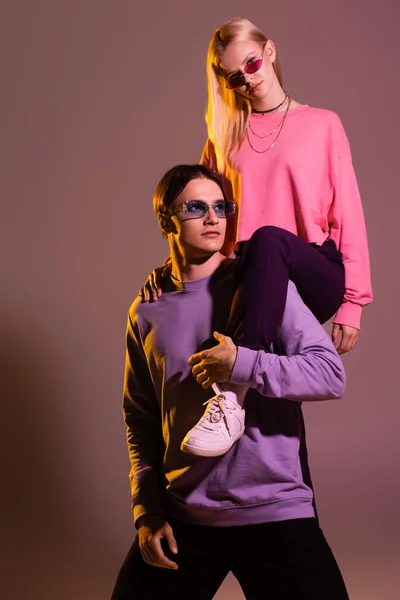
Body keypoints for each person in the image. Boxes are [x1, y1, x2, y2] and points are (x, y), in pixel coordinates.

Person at [110, 164, 350, 600]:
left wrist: (243, 364)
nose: (213, 218)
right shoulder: (146, 310)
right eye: (196, 207)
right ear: (166, 219)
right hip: (186, 516)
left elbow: (330, 374)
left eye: (222, 207)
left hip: (275, 510)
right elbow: (140, 418)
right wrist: (146, 509)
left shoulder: (263, 286)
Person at [139, 16, 372, 457]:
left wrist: (353, 303)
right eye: (234, 77)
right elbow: (202, 206)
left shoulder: (323, 124)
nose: (247, 80)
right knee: (274, 415)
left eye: (251, 64)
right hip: (249, 278)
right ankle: (285, 507)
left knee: (268, 238)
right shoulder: (224, 136)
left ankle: (231, 397)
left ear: (269, 52)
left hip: (311, 270)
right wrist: (173, 265)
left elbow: (349, 214)